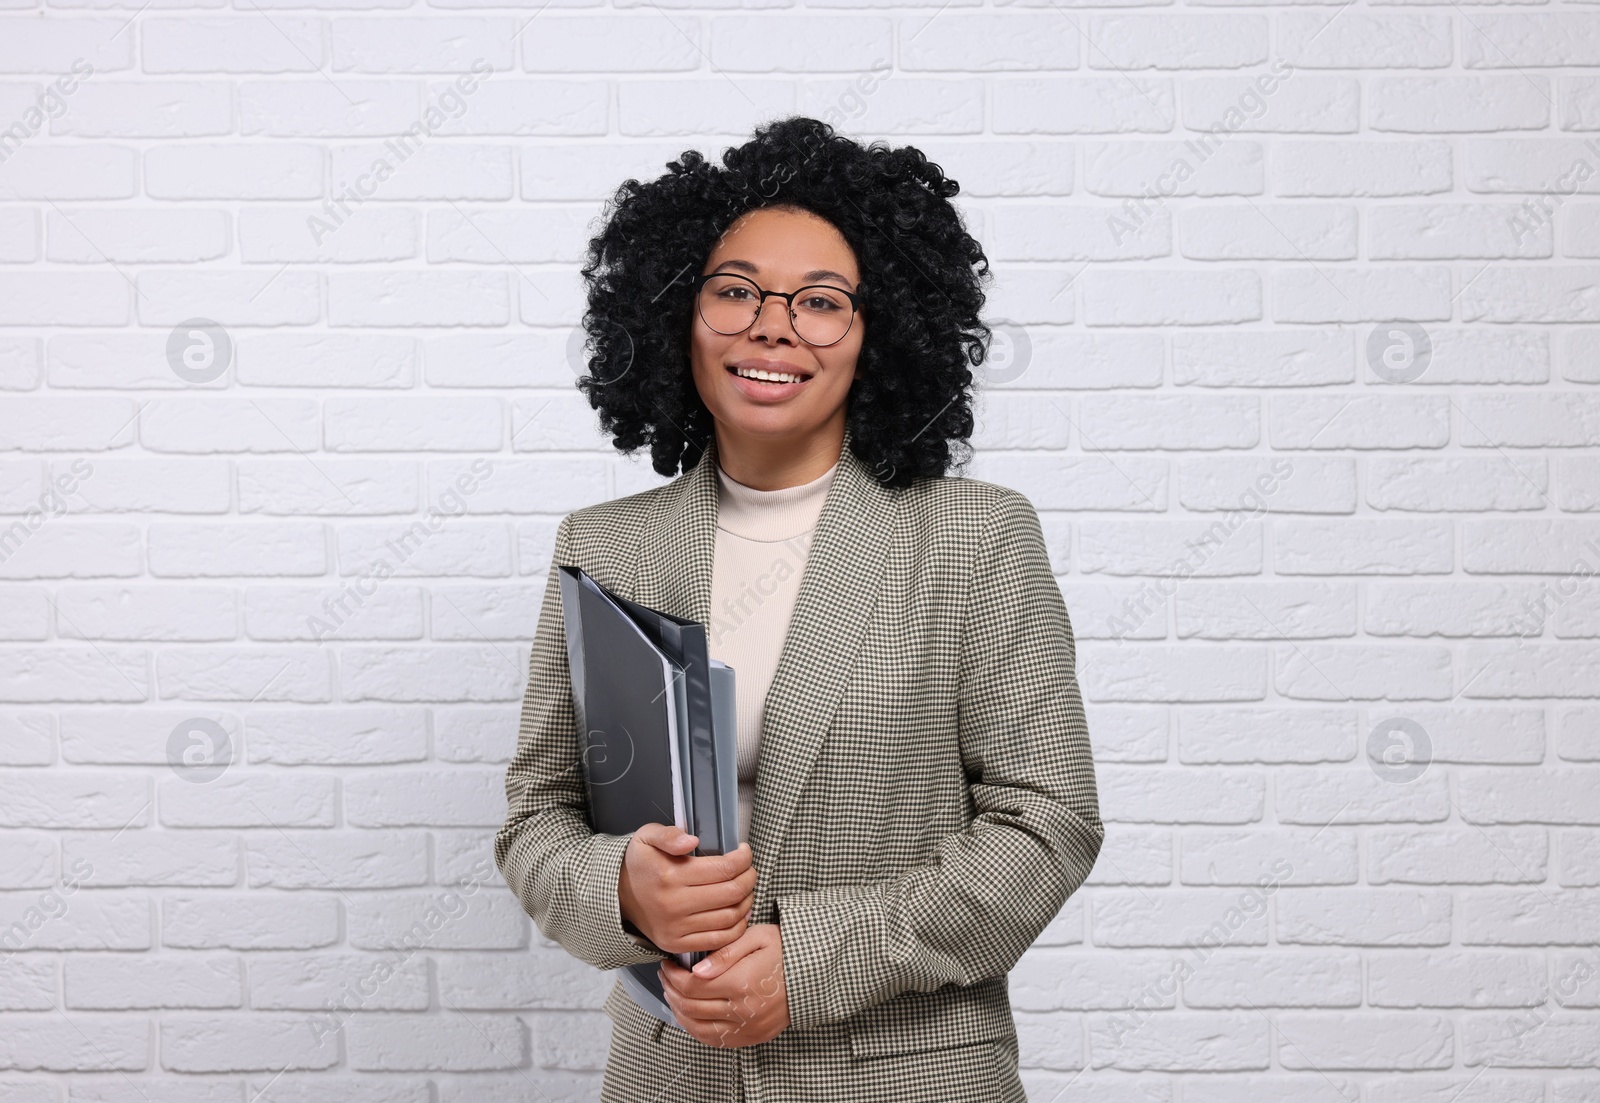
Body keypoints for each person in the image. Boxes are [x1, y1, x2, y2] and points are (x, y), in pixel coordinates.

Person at [494, 115, 1103, 1102]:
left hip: (903, 1076)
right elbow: (537, 818)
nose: (771, 325)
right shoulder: (603, 545)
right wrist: (621, 887)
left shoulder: (973, 539)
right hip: (669, 1073)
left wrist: (808, 960)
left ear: (880, 334)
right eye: (734, 291)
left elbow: (1046, 820)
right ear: (673, 314)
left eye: (820, 301)